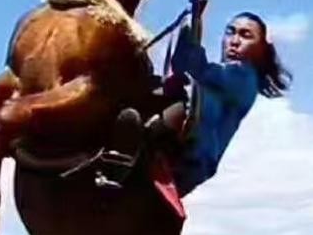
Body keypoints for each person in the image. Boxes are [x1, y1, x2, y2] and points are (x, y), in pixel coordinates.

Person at [109, 11, 292, 197]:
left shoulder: (244, 77)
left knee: (186, 95)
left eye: (245, 35)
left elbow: (195, 67)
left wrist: (192, 23)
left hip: (192, 160)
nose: (235, 40)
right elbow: (183, 64)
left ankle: (139, 141)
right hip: (188, 151)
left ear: (260, 49)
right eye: (231, 32)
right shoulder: (219, 78)